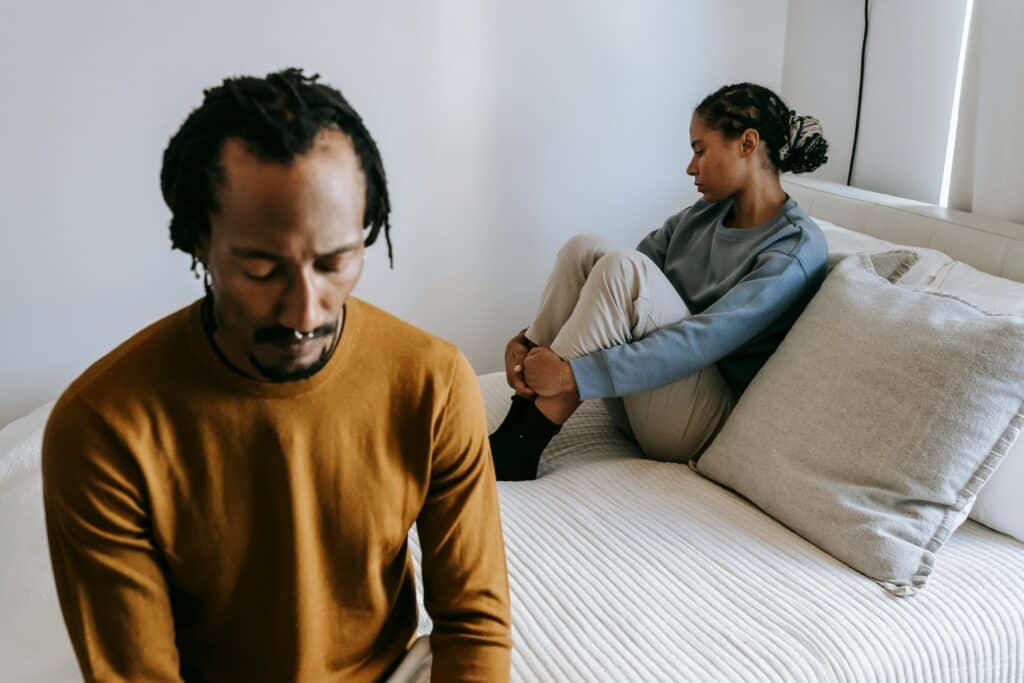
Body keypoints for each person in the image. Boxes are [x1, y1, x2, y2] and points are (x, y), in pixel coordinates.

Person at [41, 68, 511, 682]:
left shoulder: (434, 382)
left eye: (335, 261)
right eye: (262, 269)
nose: (304, 312)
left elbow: (473, 623)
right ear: (197, 242)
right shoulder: (101, 428)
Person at [490, 82, 830, 481]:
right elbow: (616, 289)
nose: (691, 167)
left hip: (696, 425)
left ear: (747, 143)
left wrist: (570, 376)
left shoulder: (794, 249)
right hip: (646, 395)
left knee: (623, 268)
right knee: (586, 249)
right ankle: (524, 395)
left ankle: (522, 441)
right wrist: (529, 341)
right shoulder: (701, 216)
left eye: (700, 149)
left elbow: (705, 338)